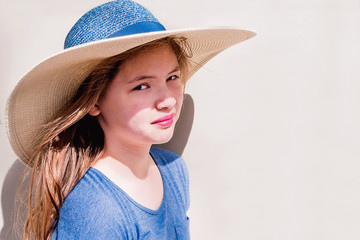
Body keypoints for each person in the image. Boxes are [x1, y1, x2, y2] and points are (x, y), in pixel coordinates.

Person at [5, 0, 255, 239]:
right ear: (94, 102)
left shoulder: (173, 170)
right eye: (142, 86)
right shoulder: (97, 209)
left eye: (172, 78)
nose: (167, 100)